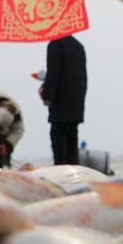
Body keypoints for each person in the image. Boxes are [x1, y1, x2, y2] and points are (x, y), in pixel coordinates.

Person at [40, 34, 87, 165]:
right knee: (72, 143)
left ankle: (62, 179)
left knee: (59, 142)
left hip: (61, 105)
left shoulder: (56, 44)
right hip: (76, 104)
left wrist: (47, 96)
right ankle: (75, 179)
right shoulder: (78, 46)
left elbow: (54, 73)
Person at [0, 92, 24, 168]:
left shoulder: (17, 117)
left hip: (2, 135)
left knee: (2, 153)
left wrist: (8, 144)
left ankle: (3, 168)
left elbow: (19, 130)